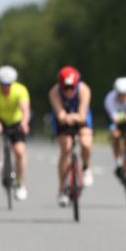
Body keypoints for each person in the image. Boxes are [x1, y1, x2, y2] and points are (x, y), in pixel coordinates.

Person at [0, 65, 31, 201]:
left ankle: (21, 183)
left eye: (8, 85)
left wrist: (25, 123)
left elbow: (25, 110)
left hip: (16, 121)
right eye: (3, 84)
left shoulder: (20, 90)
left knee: (20, 152)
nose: (5, 88)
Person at [48, 66, 94, 207]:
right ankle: (62, 189)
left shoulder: (84, 89)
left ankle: (86, 168)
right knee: (66, 148)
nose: (69, 91)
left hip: (80, 117)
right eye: (65, 88)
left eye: (72, 88)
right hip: (63, 120)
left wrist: (77, 117)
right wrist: (65, 117)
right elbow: (60, 114)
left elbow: (82, 112)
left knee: (86, 143)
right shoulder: (54, 92)